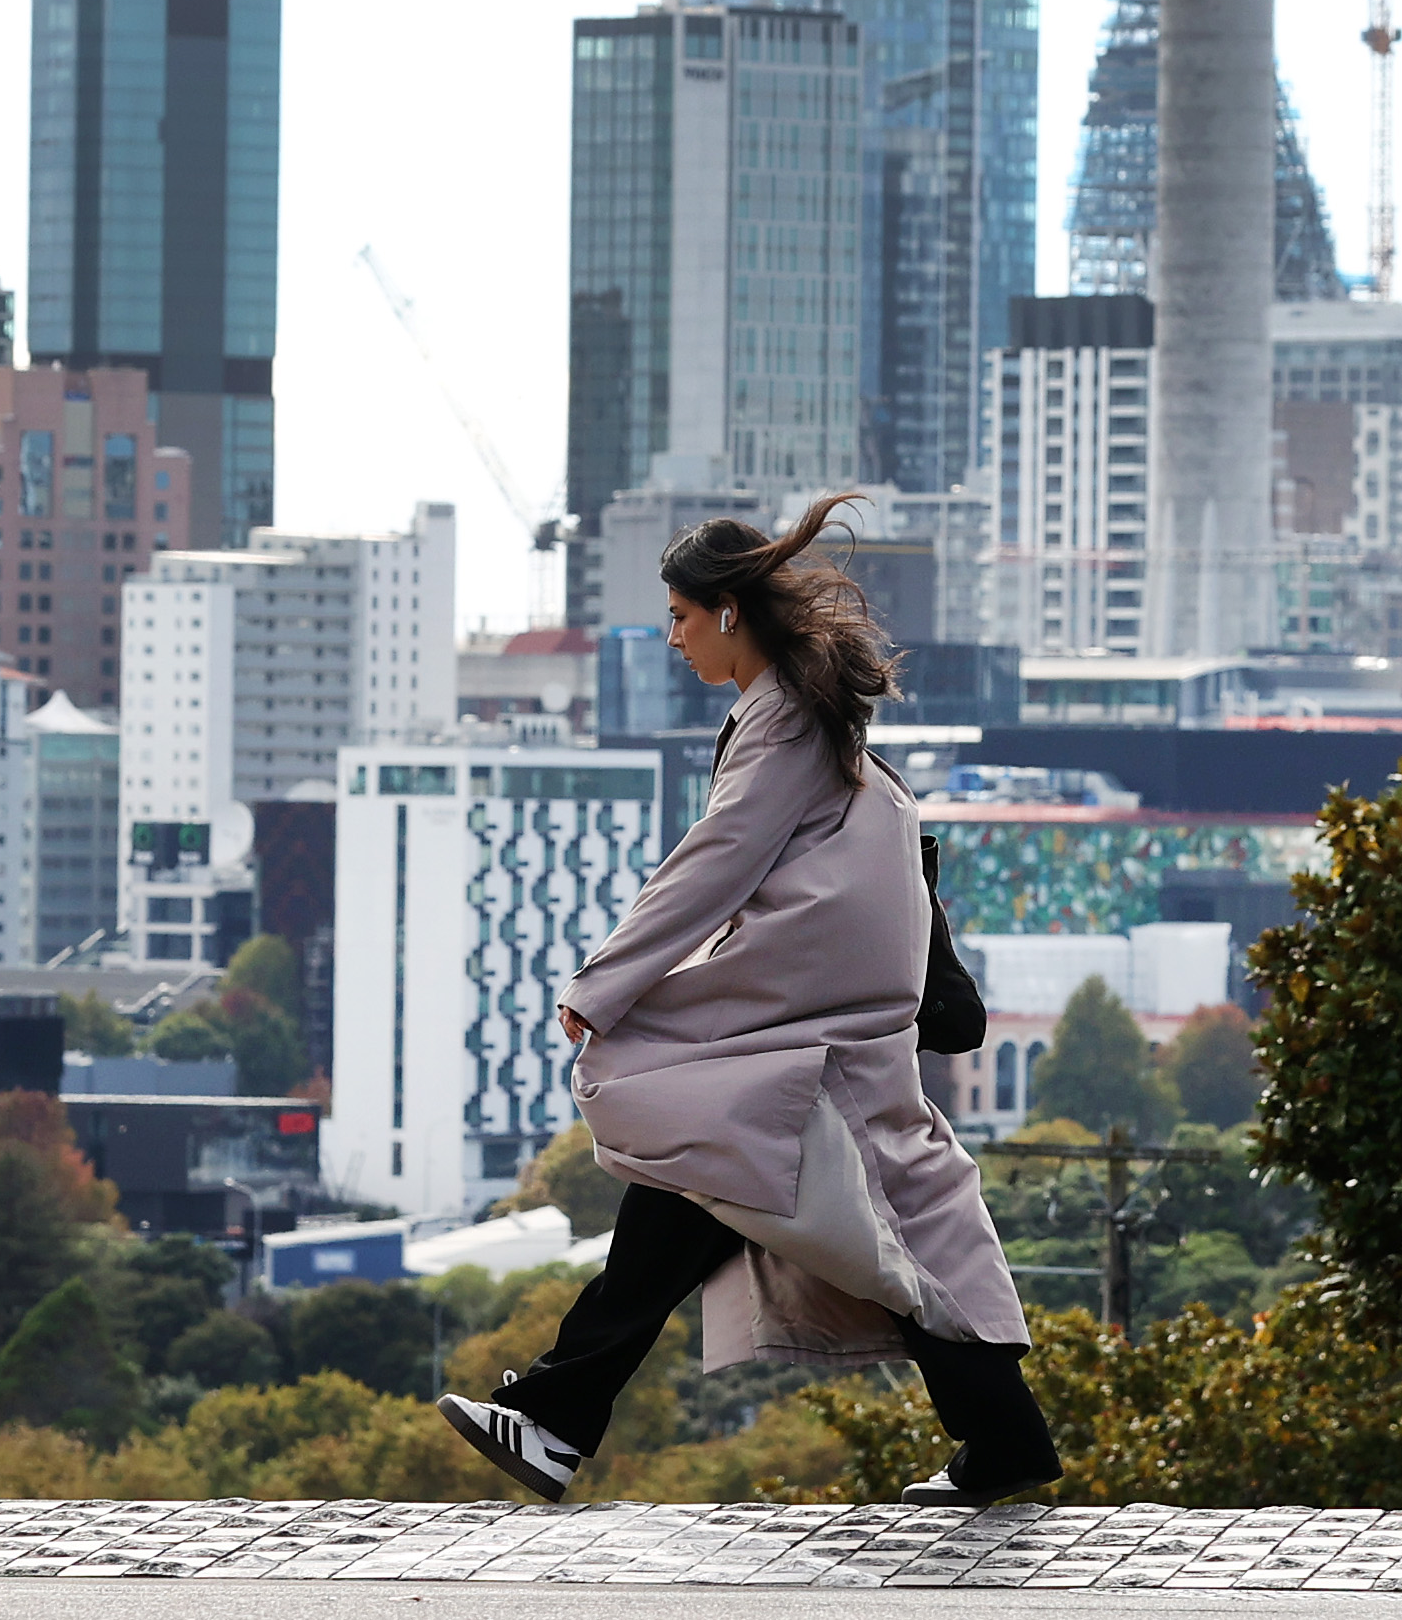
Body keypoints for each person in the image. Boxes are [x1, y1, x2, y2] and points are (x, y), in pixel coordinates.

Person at [437, 494, 1059, 1507]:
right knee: (797, 1215)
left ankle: (554, 1419)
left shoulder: (781, 723)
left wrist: (606, 982)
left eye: (680, 616)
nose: (673, 637)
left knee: (883, 1238)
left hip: (807, 1046)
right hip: (816, 1038)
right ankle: (555, 1418)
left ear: (727, 613)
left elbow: (714, 863)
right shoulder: (815, 716)